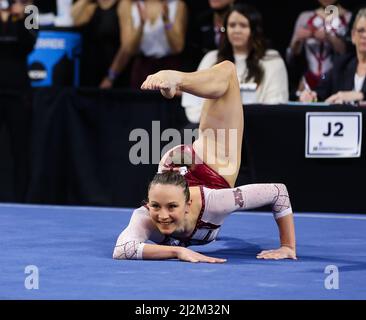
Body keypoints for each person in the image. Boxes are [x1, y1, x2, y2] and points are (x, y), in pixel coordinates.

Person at [113, 61, 296, 263]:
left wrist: (287, 246)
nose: (162, 215)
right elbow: (122, 249)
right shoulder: (147, 217)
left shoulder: (215, 202)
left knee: (228, 71)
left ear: (187, 206)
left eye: (172, 207)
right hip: (177, 171)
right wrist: (178, 252)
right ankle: (178, 82)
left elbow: (279, 192)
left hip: (210, 170)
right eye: (155, 206)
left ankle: (178, 79)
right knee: (224, 77)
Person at [182, 3, 289, 124]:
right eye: (232, 25)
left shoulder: (271, 60)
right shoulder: (211, 58)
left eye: (243, 25)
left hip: (257, 129)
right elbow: (193, 100)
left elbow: (275, 104)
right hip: (213, 128)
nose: (237, 30)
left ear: (254, 30)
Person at [0, 0, 37, 202]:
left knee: (20, 149)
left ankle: (22, 199)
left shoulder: (31, 13)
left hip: (18, 91)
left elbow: (28, 44)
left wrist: (19, 18)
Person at [300, 8, 366, 104]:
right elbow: (322, 86)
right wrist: (312, 96)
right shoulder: (342, 65)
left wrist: (360, 95)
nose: (365, 35)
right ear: (353, 36)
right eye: (361, 30)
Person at [287, 0, 351, 93]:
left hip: (335, 79)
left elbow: (348, 52)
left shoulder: (347, 17)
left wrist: (329, 37)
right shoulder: (305, 17)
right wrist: (298, 39)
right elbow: (292, 55)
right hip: (310, 77)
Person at [122, 0, 188, 89]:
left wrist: (166, 21)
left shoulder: (177, 5)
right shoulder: (133, 5)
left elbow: (178, 48)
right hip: (143, 68)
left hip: (169, 67)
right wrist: (141, 25)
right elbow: (129, 49)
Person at [71, 0, 132, 88]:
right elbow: (73, 19)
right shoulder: (91, 6)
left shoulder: (123, 4)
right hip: (89, 73)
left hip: (112, 74)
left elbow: (127, 47)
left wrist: (111, 76)